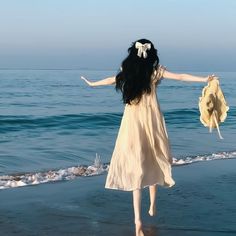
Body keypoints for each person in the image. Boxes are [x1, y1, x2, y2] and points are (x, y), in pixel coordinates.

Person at [81, 39, 216, 236]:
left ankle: (138, 222)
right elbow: (181, 77)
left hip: (132, 123)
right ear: (151, 55)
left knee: (138, 166)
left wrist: (92, 83)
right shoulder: (155, 72)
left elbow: (111, 80)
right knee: (153, 159)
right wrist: (204, 79)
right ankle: (152, 205)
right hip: (152, 120)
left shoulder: (130, 72)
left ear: (133, 54)